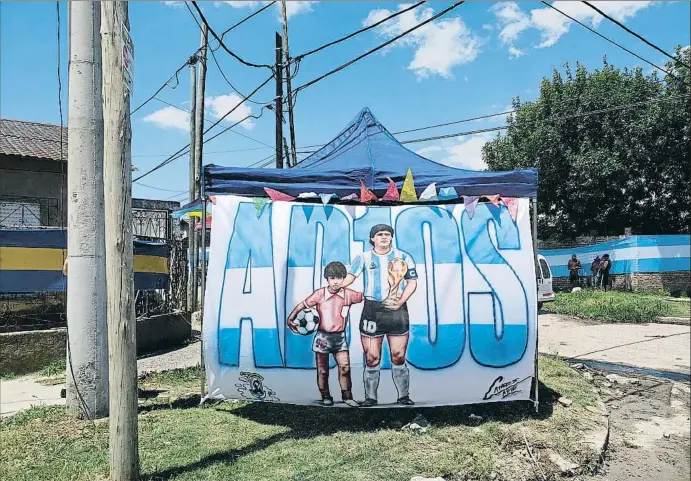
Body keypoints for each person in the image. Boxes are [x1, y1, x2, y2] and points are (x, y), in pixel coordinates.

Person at [340, 224, 418, 407]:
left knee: (398, 356)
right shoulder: (364, 257)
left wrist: (400, 301)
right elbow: (350, 278)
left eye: (387, 234)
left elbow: (412, 283)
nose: (384, 237)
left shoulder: (403, 257)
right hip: (372, 310)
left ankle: (403, 396)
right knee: (372, 357)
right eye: (379, 234)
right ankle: (371, 398)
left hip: (396, 309)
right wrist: (334, 287)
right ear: (372, 239)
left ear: (392, 237)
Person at [287, 261, 363, 407]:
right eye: (332, 278)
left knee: (345, 367)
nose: (336, 282)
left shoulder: (348, 294)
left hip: (339, 337)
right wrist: (291, 317)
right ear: (327, 279)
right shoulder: (320, 294)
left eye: (339, 278)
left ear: (344, 279)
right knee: (322, 370)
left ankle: (347, 396)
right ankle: (325, 395)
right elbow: (303, 304)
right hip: (322, 337)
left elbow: (366, 298)